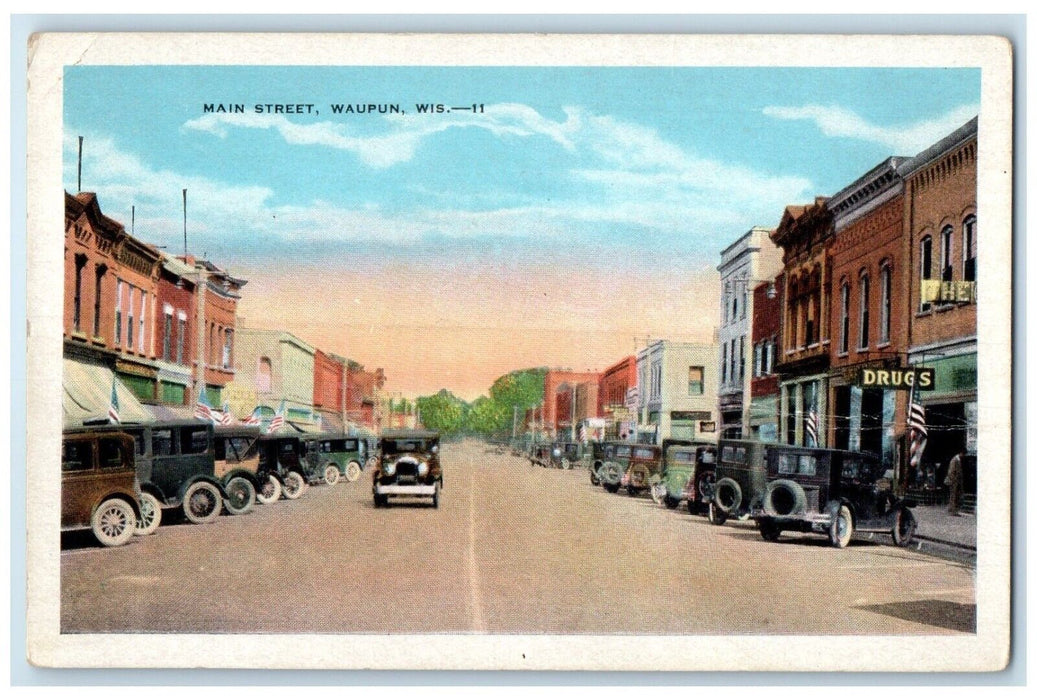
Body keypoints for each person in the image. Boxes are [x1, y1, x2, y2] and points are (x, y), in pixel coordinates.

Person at [945, 451, 965, 516]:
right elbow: (951, 471)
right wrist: (953, 480)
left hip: (956, 481)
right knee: (954, 496)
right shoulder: (955, 460)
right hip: (954, 481)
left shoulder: (957, 460)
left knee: (954, 495)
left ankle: (951, 509)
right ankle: (953, 511)